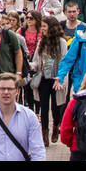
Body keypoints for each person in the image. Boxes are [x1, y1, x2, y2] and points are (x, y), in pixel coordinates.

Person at [30, 14, 69, 147]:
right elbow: (36, 60)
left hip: (56, 79)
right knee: (44, 107)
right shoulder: (42, 42)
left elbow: (64, 61)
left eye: (44, 26)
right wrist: (31, 66)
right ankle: (44, 133)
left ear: (51, 27)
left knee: (56, 107)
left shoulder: (61, 43)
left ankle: (56, 127)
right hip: (43, 79)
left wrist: (61, 79)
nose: (42, 29)